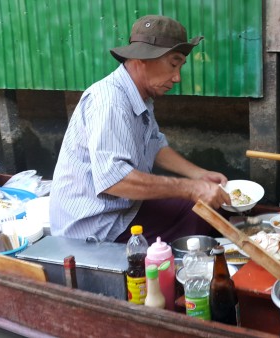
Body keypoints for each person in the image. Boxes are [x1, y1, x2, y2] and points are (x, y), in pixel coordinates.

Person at [49, 15, 231, 244]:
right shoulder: (110, 101)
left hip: (124, 209)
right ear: (142, 58)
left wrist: (199, 175)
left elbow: (154, 144)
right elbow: (116, 181)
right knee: (200, 218)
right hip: (96, 225)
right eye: (173, 64)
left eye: (180, 67)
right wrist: (191, 188)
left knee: (211, 209)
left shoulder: (140, 96)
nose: (177, 77)